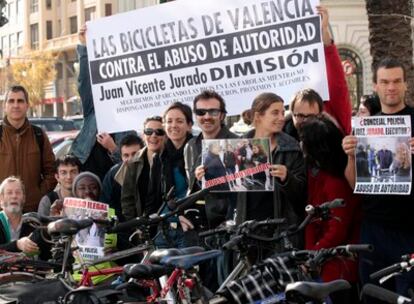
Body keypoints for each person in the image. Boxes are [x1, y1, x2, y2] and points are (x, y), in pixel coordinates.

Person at [342, 57, 414, 299]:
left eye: (396, 81)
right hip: (373, 229)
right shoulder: (364, 128)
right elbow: (355, 184)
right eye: (384, 82)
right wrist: (351, 157)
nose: (391, 87)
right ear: (375, 86)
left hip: (409, 229)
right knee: (374, 295)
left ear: (405, 84)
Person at [299, 116, 361, 304]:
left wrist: (313, 254)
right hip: (322, 260)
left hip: (338, 266)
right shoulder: (318, 173)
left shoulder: (336, 182)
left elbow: (337, 229)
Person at [236, 92, 306, 252]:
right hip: (247, 232)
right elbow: (225, 194)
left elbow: (302, 195)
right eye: (275, 112)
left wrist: (287, 178)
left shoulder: (291, 147)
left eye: (282, 112)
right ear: (258, 116)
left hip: (280, 234)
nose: (282, 117)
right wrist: (206, 176)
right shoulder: (238, 146)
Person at [70, 25, 136, 181]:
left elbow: (131, 167)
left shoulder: (129, 123)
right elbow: (84, 81)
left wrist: (113, 148)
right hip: (85, 183)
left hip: (112, 187)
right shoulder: (93, 110)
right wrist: (85, 46)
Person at [283, 6, 352, 139]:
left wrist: (324, 30)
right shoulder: (284, 135)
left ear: (320, 113)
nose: (305, 121)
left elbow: (337, 80)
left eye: (310, 116)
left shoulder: (334, 113)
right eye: (299, 115)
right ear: (292, 114)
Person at [185, 90, 238, 229]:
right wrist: (198, 178)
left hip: (229, 223)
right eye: (201, 112)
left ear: (221, 115)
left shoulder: (236, 143)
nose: (207, 116)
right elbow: (190, 185)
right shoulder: (191, 145)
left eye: (213, 112)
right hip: (200, 224)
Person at [0, 85, 56, 212]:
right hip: (2, 214)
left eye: (20, 101)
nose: (16, 105)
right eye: (11, 101)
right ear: (5, 106)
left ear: (27, 105)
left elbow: (52, 171)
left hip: (32, 212)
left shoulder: (39, 135)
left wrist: (38, 195)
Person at [155, 102, 195, 249]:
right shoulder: (160, 155)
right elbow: (156, 195)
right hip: (165, 225)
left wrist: (183, 214)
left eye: (179, 121)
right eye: (169, 121)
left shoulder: (198, 151)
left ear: (189, 125)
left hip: (189, 225)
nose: (174, 125)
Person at [121, 116, 166, 221]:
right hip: (143, 224)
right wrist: (135, 225)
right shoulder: (134, 162)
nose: (153, 136)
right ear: (143, 135)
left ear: (165, 135)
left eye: (159, 132)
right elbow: (127, 199)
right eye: (149, 131)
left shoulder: (172, 158)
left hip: (167, 221)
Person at [0, 177, 48, 258]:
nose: (14, 196)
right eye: (9, 193)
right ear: (1, 199)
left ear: (24, 198)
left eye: (18, 192)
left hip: (30, 270)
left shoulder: (33, 223)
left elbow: (46, 254)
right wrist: (17, 245)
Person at [100, 134, 144, 222]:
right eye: (126, 155)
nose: (131, 159)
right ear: (121, 157)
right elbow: (106, 205)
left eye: (135, 154)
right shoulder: (112, 175)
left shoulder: (153, 170)